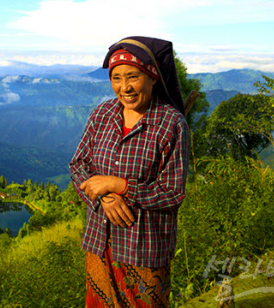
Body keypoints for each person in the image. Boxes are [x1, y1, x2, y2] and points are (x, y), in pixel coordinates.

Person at [69, 36, 190, 308]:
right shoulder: (102, 114)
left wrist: (121, 185)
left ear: (152, 77)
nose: (124, 87)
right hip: (100, 245)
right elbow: (78, 165)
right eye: (116, 78)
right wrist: (105, 197)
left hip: (144, 251)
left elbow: (173, 194)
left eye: (133, 76)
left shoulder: (171, 124)